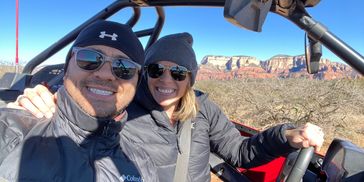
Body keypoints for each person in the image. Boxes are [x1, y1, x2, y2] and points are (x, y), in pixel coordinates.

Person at [8, 32, 324, 181]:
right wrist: (43, 99)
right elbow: (84, 108)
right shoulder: (123, 106)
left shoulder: (203, 107)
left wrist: (286, 136)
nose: (166, 80)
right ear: (143, 72)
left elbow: (240, 152)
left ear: (191, 79)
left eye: (178, 72)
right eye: (156, 69)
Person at [0, 20, 157, 182]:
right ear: (66, 70)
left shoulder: (142, 166)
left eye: (124, 66)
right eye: (90, 58)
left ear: (137, 83)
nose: (104, 74)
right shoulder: (11, 132)